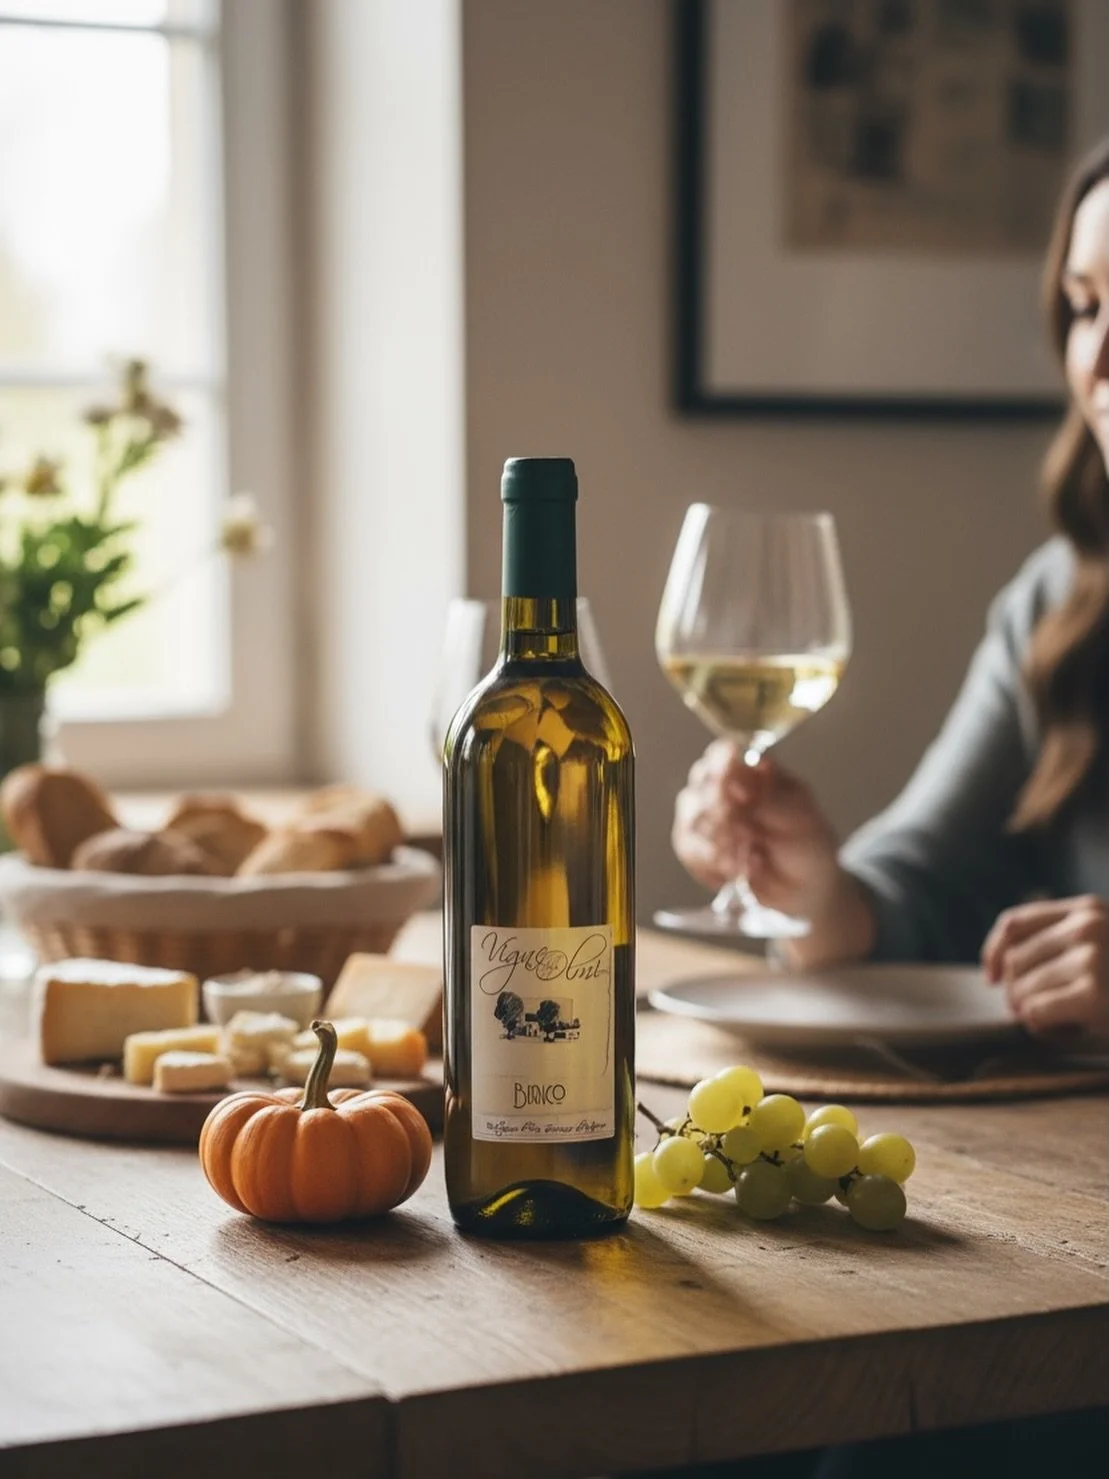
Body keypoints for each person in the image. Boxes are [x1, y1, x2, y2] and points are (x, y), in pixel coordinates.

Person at [672, 138, 1109, 1040]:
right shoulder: (1061, 604)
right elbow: (918, 891)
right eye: (1085, 307)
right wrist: (812, 885)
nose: (1094, 362)